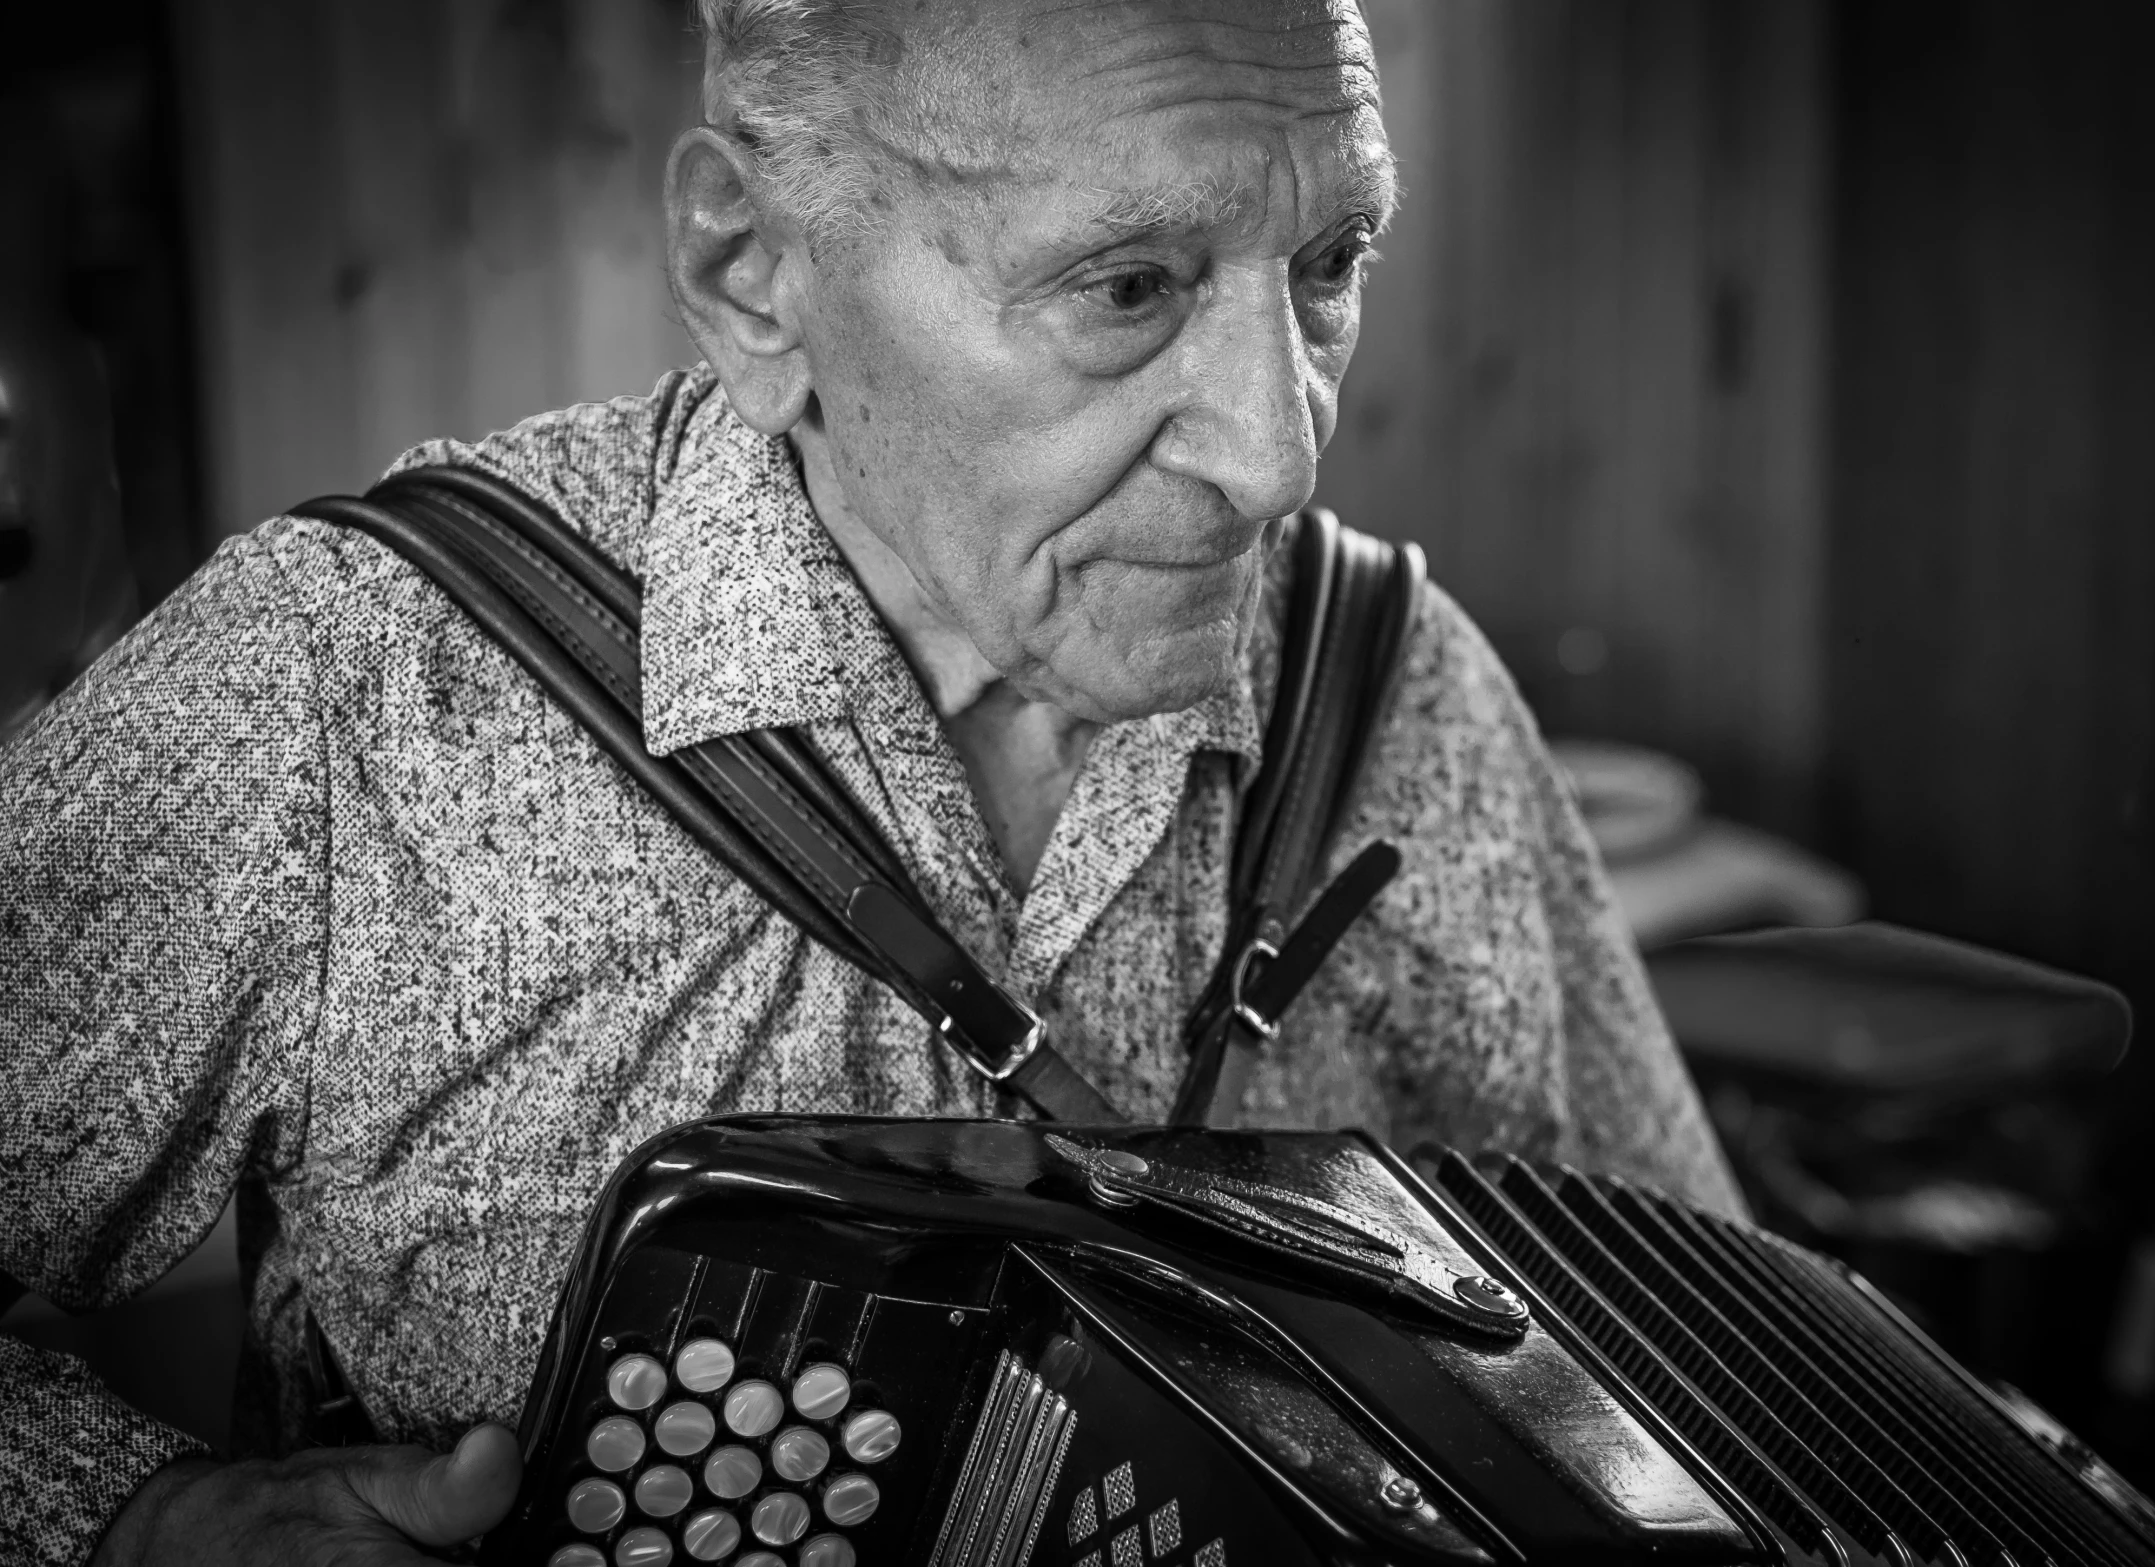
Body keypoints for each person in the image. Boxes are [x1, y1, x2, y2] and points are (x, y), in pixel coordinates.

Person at [0, 1, 1744, 1560]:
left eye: (1330, 259)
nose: (1281, 453)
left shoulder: (1395, 687)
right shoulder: (347, 684)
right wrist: (136, 1521)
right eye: (1126, 286)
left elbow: (1695, 1343)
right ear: (753, 268)